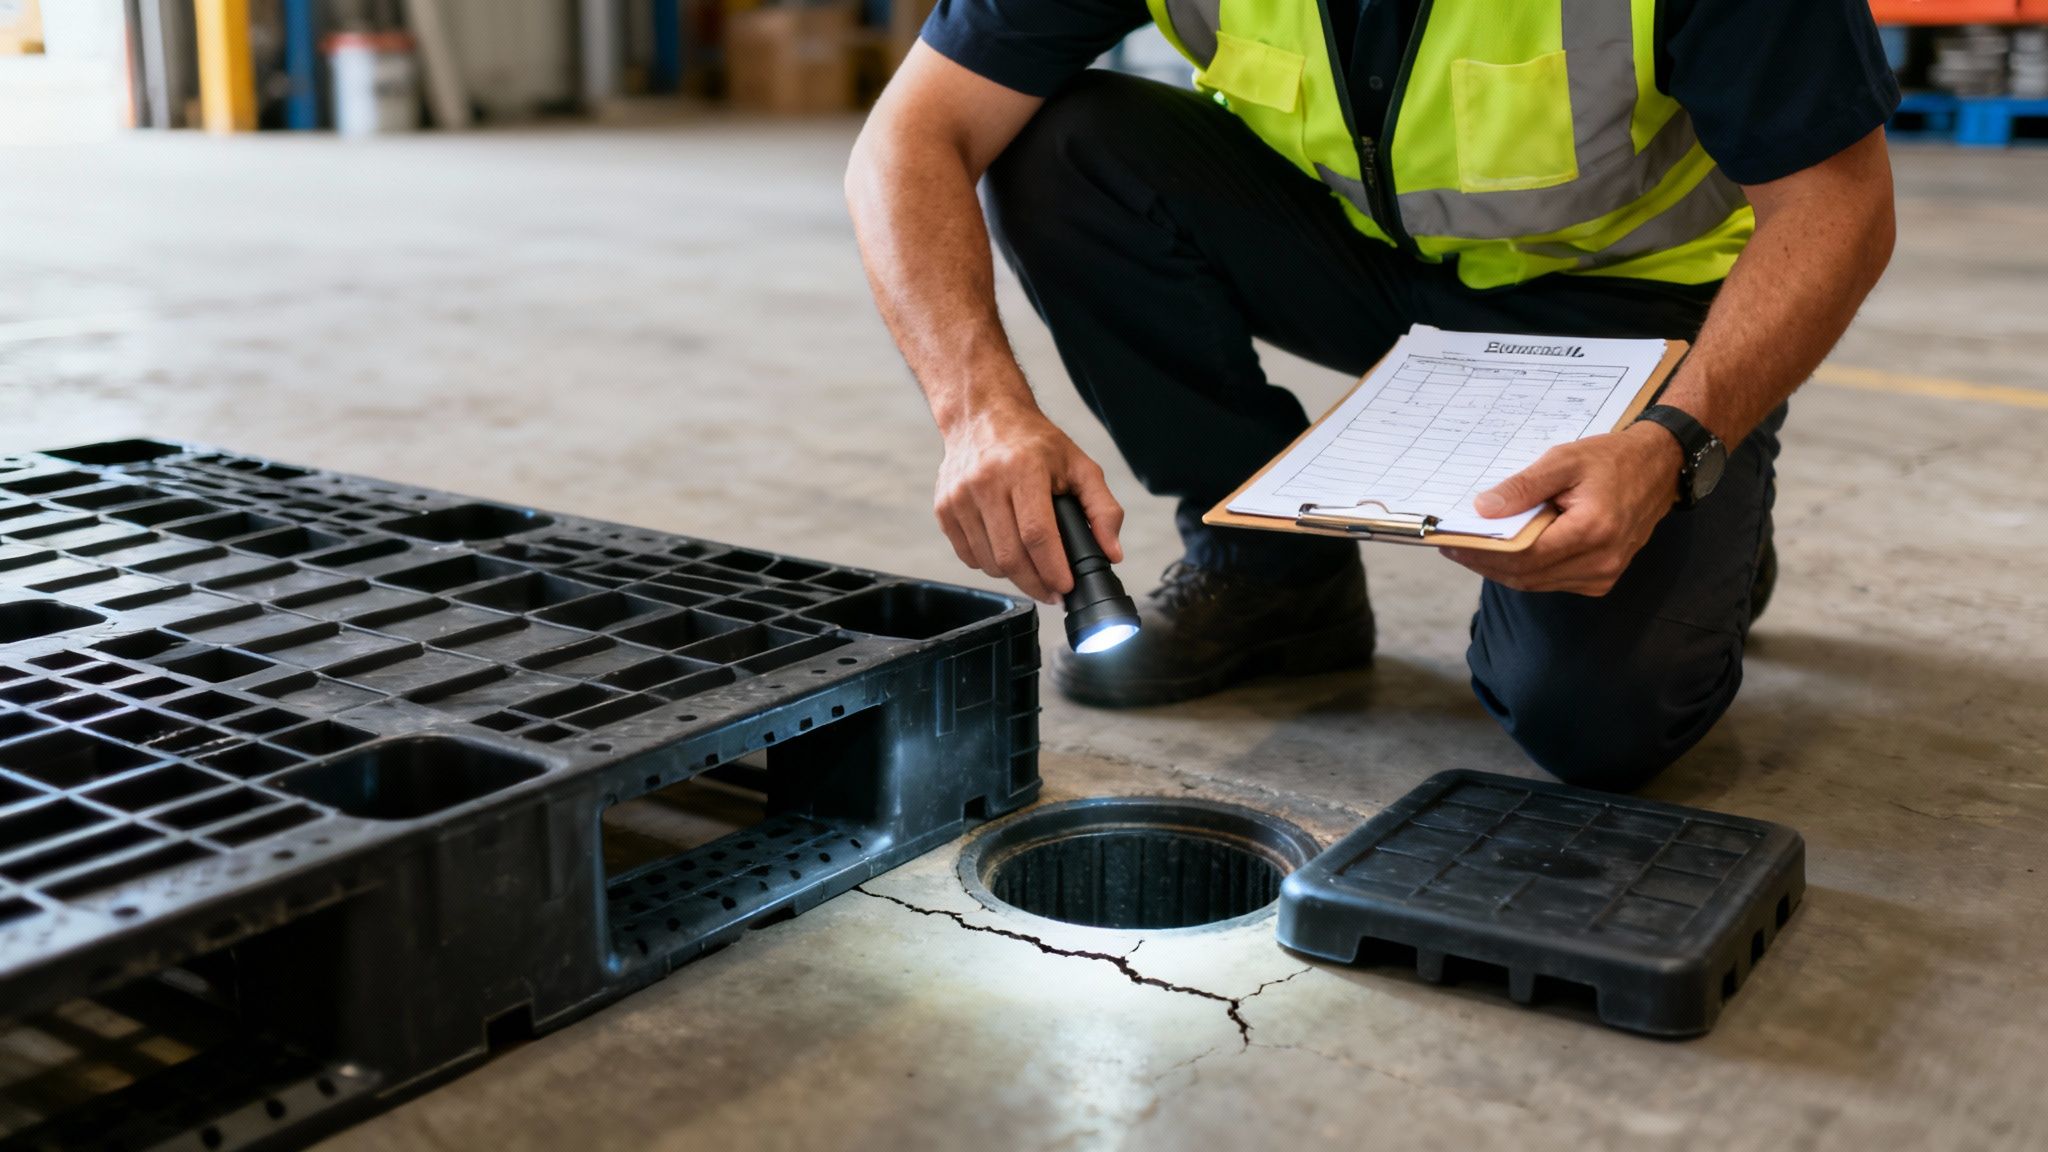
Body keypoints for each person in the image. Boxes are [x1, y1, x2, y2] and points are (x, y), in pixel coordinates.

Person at [844, 0, 1899, 791]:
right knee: (1060, 148)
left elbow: (1835, 204)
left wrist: (1678, 443)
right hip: (1369, 258)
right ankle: (1271, 578)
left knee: (1591, 726)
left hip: (1631, 307)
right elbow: (910, 133)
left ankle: (1706, 500)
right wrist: (976, 409)